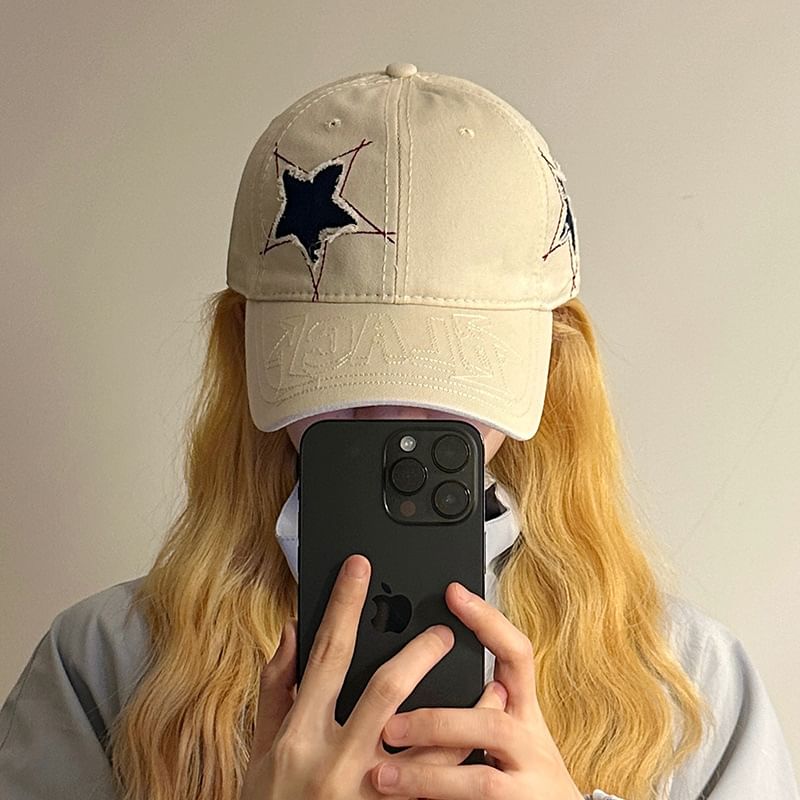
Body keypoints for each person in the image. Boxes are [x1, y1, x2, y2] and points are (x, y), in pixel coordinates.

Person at [1, 63, 797, 800]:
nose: (393, 417)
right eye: (336, 371)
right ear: (243, 350)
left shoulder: (690, 689)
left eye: (450, 378)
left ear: (555, 364)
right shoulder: (103, 669)